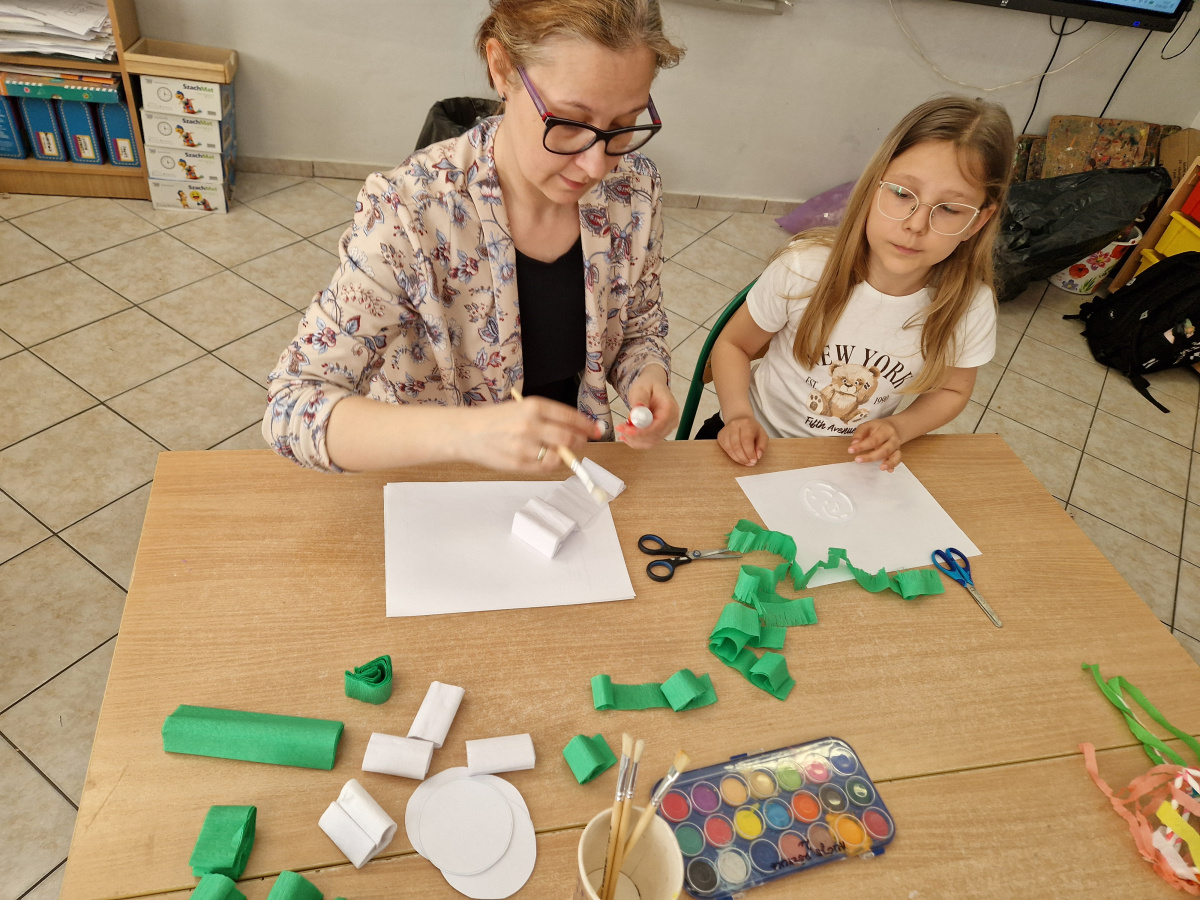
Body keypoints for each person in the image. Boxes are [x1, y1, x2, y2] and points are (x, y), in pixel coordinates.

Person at [263, 0, 683, 473]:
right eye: (568, 122)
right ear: (501, 68)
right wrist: (468, 433)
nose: (596, 165)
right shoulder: (410, 211)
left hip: (563, 471)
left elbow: (637, 327)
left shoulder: (632, 191)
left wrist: (646, 374)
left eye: (623, 126)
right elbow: (292, 408)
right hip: (434, 476)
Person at [705, 96, 1013, 472]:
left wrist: (899, 427)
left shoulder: (970, 306)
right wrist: (738, 415)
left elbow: (953, 389)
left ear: (978, 222)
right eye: (902, 194)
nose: (916, 224)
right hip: (753, 440)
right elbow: (734, 345)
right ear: (871, 189)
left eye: (949, 209)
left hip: (846, 463)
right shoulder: (804, 267)